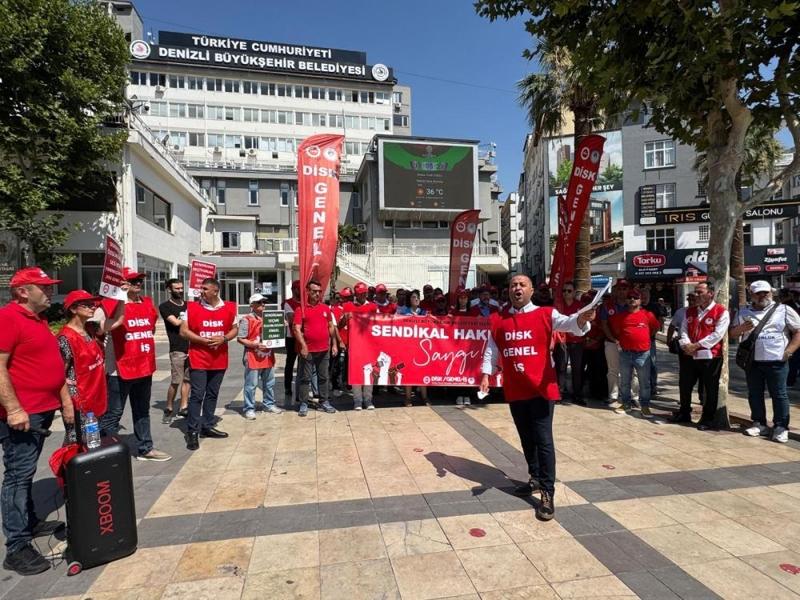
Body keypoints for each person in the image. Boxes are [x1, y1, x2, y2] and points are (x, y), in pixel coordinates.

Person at [480, 274, 595, 521]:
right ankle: (534, 477)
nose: (517, 288)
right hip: (516, 388)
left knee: (543, 440)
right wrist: (486, 375)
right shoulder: (498, 319)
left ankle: (547, 492)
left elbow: (570, 323)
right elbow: (492, 348)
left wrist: (582, 318)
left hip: (542, 389)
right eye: (513, 285)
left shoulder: (546, 314)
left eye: (522, 285)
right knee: (526, 437)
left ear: (531, 290)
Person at [0, 268, 71, 576]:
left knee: (26, 472)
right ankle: (17, 546)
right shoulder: (8, 318)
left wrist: (64, 401)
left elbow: (51, 365)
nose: (50, 291)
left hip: (41, 410)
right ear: (23, 292)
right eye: (43, 287)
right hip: (22, 415)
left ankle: (28, 521)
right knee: (17, 476)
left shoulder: (38, 319)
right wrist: (14, 408)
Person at [96, 267, 171, 462]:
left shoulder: (147, 303)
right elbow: (96, 328)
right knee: (113, 414)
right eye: (132, 281)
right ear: (121, 284)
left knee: (142, 411)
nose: (138, 284)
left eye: (139, 280)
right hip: (118, 371)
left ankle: (145, 448)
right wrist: (116, 299)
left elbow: (150, 329)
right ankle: (107, 455)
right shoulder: (109, 305)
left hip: (144, 367)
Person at [729, 281, 800, 443]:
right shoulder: (743, 311)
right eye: (758, 293)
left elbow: (798, 331)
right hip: (753, 361)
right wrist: (741, 329)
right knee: (755, 393)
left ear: (771, 293)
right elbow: (732, 334)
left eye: (765, 293)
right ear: (752, 295)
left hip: (777, 361)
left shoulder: (784, 310)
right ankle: (759, 423)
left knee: (779, 394)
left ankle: (781, 427)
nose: (762, 296)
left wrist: (789, 351)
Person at [180, 277, 238, 450]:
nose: (202, 291)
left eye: (205, 289)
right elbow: (183, 331)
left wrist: (224, 338)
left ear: (215, 291)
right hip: (199, 358)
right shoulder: (192, 307)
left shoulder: (229, 307)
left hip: (219, 359)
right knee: (197, 395)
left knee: (212, 393)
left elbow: (235, 329)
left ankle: (207, 425)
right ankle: (192, 431)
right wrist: (203, 341)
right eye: (202, 288)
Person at [673, 281, 730, 430]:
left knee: (710, 388)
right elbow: (683, 330)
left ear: (710, 293)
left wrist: (697, 345)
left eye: (700, 292)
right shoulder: (690, 311)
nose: (696, 295)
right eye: (695, 292)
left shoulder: (721, 312)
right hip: (689, 355)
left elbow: (717, 335)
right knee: (685, 384)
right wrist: (687, 344)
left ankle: (708, 419)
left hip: (710, 356)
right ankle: (684, 412)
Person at [57, 290, 107, 444]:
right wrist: (67, 405)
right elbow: (59, 375)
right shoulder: (65, 338)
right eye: (87, 305)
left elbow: (115, 322)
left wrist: (120, 297)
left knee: (91, 440)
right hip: (78, 398)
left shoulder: (90, 329)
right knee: (76, 441)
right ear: (73, 309)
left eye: (93, 304)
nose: (93, 307)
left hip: (94, 393)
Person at [609, 289, 661, 417]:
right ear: (626, 300)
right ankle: (626, 404)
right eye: (630, 297)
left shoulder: (648, 315)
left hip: (643, 354)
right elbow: (617, 331)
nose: (632, 299)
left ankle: (645, 406)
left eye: (635, 297)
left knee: (644, 383)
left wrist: (644, 338)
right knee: (625, 382)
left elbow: (655, 328)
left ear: (640, 300)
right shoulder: (620, 316)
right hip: (625, 353)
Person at [294, 280, 338, 416]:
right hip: (308, 351)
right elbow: (296, 329)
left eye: (319, 291)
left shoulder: (325, 308)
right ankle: (303, 403)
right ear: (308, 291)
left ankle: (324, 401)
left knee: (324, 377)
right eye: (314, 291)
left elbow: (331, 327)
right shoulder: (301, 309)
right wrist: (303, 346)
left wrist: (334, 344)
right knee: (305, 378)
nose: (317, 294)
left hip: (324, 350)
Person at [237, 293, 280, 420]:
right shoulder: (246, 319)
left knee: (269, 383)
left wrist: (281, 326)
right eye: (259, 302)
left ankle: (269, 404)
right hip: (252, 356)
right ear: (252, 305)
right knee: (251, 384)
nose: (263, 304)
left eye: (264, 302)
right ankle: (249, 408)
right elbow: (240, 338)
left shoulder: (270, 317)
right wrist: (254, 345)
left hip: (268, 356)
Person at [340, 282, 377, 410]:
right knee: (356, 372)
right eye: (360, 293)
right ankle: (357, 400)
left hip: (370, 346)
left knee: (369, 372)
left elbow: (379, 324)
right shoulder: (347, 306)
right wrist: (345, 318)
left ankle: (368, 399)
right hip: (354, 346)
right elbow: (340, 325)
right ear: (355, 294)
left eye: (364, 293)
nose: (362, 295)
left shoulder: (373, 306)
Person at [158, 278, 190, 425]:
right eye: (177, 288)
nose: (180, 291)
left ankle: (183, 407)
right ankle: (169, 407)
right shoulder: (165, 306)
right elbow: (176, 322)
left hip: (192, 346)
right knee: (176, 381)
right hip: (177, 348)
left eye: (181, 288)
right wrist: (191, 316)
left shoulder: (188, 305)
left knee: (188, 380)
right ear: (169, 290)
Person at [667, 293, 704, 406]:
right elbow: (672, 326)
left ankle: (703, 398)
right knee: (686, 377)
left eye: (694, 299)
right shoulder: (681, 312)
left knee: (703, 376)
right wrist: (669, 340)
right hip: (685, 349)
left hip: (702, 349)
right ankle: (685, 402)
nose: (691, 301)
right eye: (689, 299)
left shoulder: (705, 312)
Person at [600, 280, 630, 408]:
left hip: (629, 344)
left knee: (632, 371)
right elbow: (604, 324)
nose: (622, 291)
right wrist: (613, 339)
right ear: (615, 291)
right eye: (619, 289)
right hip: (611, 343)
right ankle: (613, 395)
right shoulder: (607, 306)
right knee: (613, 370)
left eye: (624, 289)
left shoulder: (632, 304)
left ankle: (633, 396)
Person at [555, 282, 586, 406]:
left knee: (577, 369)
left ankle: (577, 395)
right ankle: (559, 393)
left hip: (577, 342)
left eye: (569, 291)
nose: (566, 293)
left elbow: (584, 322)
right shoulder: (558, 306)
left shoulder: (580, 306)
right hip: (562, 342)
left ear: (574, 293)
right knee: (561, 368)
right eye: (564, 291)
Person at [397, 291, 429, 405]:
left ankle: (425, 398)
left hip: (421, 347)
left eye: (418, 297)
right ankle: (408, 398)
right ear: (409, 300)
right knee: (408, 372)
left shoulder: (424, 312)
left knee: (422, 372)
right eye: (414, 297)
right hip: (408, 347)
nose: (416, 299)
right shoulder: (403, 312)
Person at [641, 288, 666, 398]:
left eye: (646, 295)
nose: (644, 297)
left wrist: (652, 333)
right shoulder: (637, 306)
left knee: (652, 363)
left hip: (650, 339)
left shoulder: (655, 306)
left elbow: (660, 321)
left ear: (649, 295)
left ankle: (653, 387)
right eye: (642, 295)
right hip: (638, 340)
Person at [282, 280, 301, 404]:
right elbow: (291, 320)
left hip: (303, 337)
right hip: (291, 337)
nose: (301, 292)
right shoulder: (288, 303)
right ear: (294, 290)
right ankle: (288, 387)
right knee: (290, 362)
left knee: (302, 364)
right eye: (299, 289)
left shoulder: (305, 303)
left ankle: (300, 388)